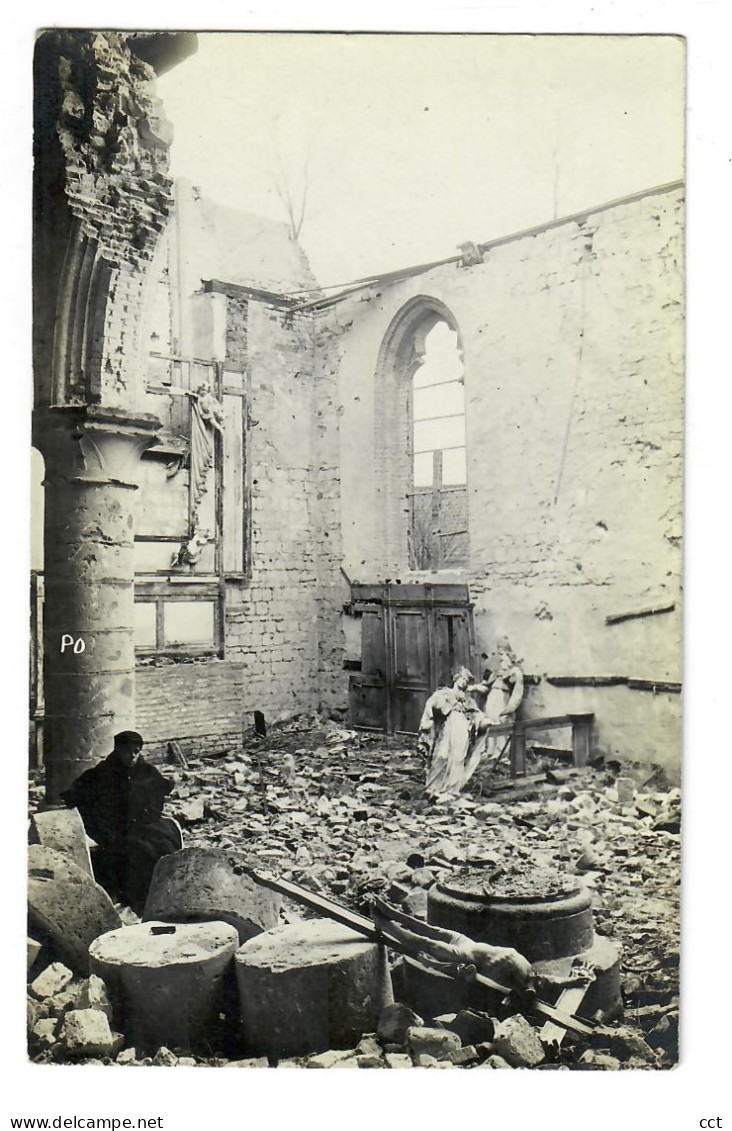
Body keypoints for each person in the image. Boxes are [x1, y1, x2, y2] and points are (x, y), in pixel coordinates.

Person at [61, 731, 180, 913]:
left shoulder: (146, 771)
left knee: (166, 846)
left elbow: (158, 794)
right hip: (116, 828)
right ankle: (141, 902)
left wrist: (148, 814)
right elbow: (79, 793)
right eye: (127, 752)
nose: (132, 756)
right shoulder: (104, 772)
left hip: (145, 824)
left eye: (136, 751)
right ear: (118, 750)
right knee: (140, 851)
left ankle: (167, 896)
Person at [418, 667, 491, 802]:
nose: (464, 682)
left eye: (466, 680)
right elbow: (430, 704)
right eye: (462, 679)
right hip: (448, 728)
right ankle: (433, 787)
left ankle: (452, 789)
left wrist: (484, 721)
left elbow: (476, 714)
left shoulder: (468, 699)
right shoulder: (445, 694)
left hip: (462, 729)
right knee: (441, 755)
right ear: (456, 678)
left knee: (458, 758)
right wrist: (429, 719)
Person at [470, 647, 525, 764]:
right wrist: (474, 688)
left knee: (500, 724)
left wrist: (510, 708)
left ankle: (501, 754)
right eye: (501, 660)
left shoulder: (515, 673)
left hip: (502, 699)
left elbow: (517, 693)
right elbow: (486, 687)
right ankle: (490, 751)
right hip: (491, 700)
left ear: (510, 659)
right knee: (489, 723)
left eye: (504, 659)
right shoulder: (496, 673)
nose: (502, 662)